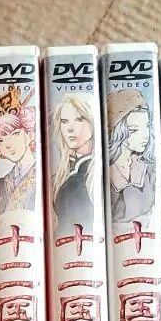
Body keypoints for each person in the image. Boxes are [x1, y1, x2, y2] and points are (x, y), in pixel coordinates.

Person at [106, 88, 156, 225]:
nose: (145, 135)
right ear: (118, 131)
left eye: (147, 126)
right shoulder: (103, 172)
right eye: (134, 130)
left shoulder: (149, 169)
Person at [0, 86, 37, 218]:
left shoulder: (47, 178)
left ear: (30, 135)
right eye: (1, 140)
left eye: (15, 134)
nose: (8, 145)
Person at [50, 94, 96, 229]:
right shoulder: (58, 178)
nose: (69, 128)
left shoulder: (99, 172)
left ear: (93, 122)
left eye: (79, 120)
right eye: (64, 122)